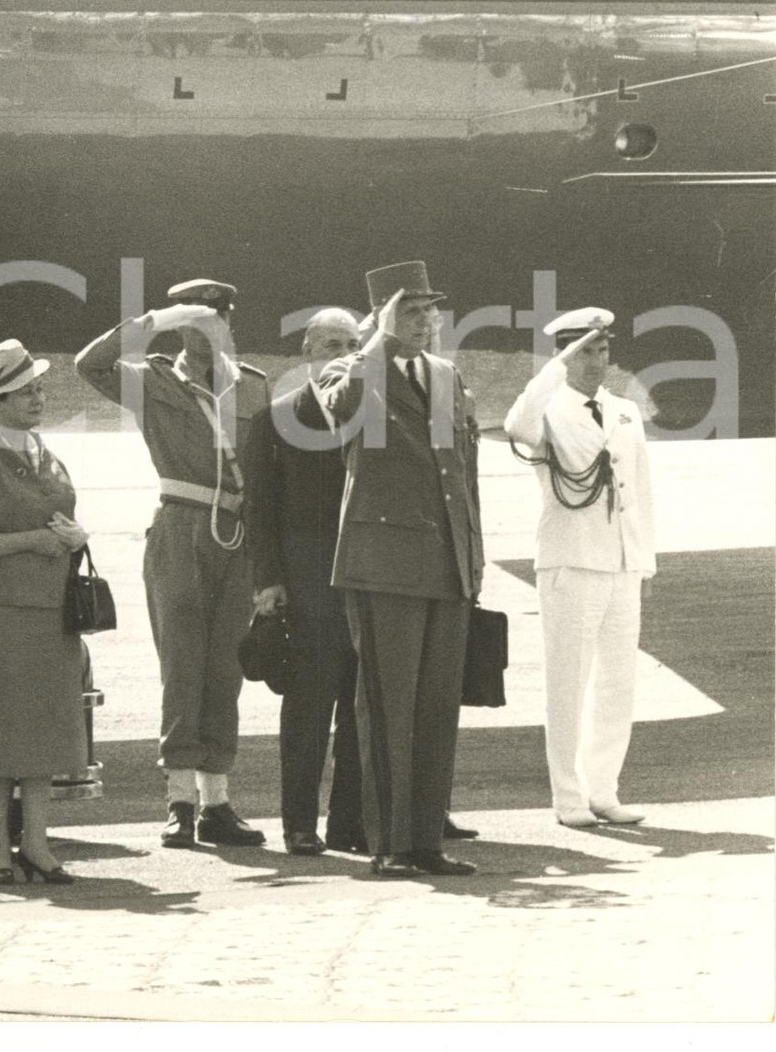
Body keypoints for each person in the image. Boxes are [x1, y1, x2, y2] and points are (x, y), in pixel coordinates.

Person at [75, 279, 268, 849]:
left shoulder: (251, 387)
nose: (213, 330)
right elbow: (90, 364)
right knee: (182, 665)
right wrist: (153, 320)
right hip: (181, 529)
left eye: (220, 319)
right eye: (200, 320)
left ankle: (217, 804)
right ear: (181, 325)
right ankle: (180, 801)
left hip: (238, 535)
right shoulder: (153, 379)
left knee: (225, 669)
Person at [320, 261, 483, 879]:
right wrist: (376, 342)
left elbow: (459, 474)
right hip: (384, 564)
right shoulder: (355, 367)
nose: (427, 320)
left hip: (445, 563)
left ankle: (425, 839)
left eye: (430, 309)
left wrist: (472, 554)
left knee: (437, 706)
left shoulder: (443, 374)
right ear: (384, 316)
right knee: (388, 706)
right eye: (411, 310)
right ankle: (388, 842)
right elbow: (340, 413)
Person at [0, 339, 89, 885]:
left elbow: (63, 518)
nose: (37, 398)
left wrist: (77, 537)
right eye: (25, 391)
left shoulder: (45, 454)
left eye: (39, 388)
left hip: (50, 611)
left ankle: (38, 844)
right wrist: (31, 540)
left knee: (46, 731)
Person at [503, 307, 655, 828]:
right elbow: (516, 426)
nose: (595, 361)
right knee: (568, 681)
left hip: (620, 563)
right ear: (563, 355)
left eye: (602, 350)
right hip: (572, 561)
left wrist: (644, 563)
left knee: (618, 682)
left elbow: (641, 491)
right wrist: (552, 372)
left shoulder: (623, 410)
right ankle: (567, 797)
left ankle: (604, 789)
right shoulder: (548, 407)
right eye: (583, 351)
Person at [245, 308, 366, 857]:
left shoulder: (376, 414)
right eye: (330, 344)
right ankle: (299, 823)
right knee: (309, 708)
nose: (341, 352)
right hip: (308, 582)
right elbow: (259, 509)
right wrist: (267, 581)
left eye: (351, 343)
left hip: (367, 578)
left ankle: (350, 823)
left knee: (362, 706)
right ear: (307, 352)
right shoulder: (276, 417)